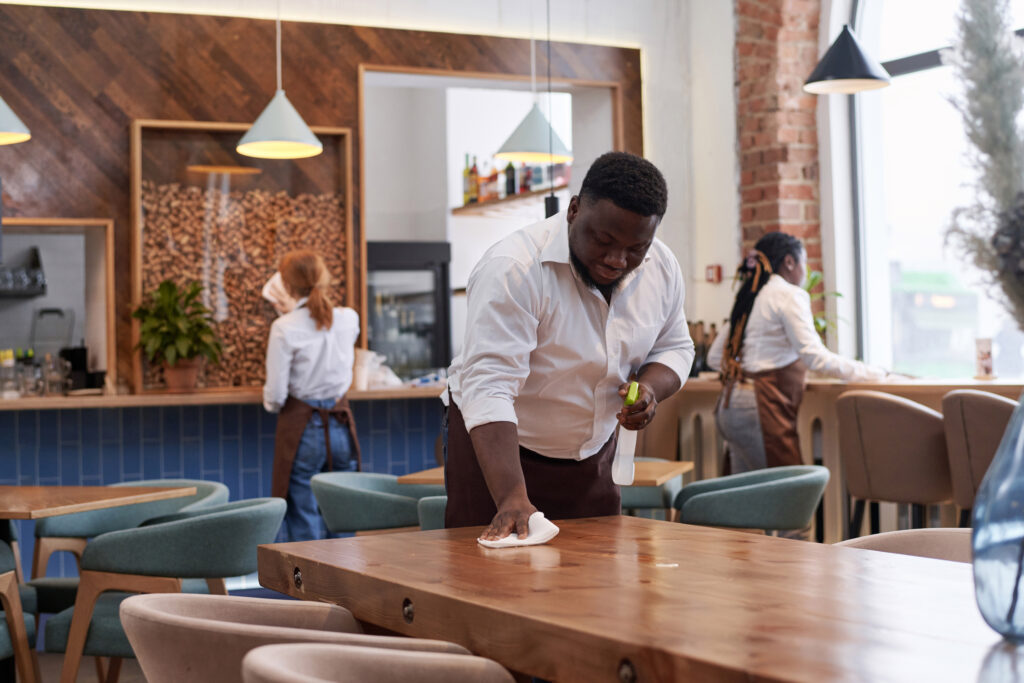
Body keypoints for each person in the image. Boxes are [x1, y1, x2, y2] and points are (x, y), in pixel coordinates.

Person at [444, 151, 695, 540]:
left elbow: (676, 347)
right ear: (574, 210)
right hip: (499, 456)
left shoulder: (661, 268)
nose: (616, 259)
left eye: (635, 248)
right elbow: (489, 386)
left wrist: (649, 388)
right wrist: (511, 496)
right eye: (604, 240)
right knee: (487, 582)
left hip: (592, 457)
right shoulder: (514, 268)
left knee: (596, 585)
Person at [706, 231, 887, 476]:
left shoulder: (751, 294)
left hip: (730, 406)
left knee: (746, 496)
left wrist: (744, 372)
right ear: (789, 262)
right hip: (760, 408)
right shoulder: (789, 295)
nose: (805, 271)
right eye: (804, 262)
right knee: (784, 493)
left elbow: (715, 357)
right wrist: (874, 373)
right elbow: (815, 357)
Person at [263, 250, 362, 542]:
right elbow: (322, 327)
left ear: (286, 285)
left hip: (303, 430)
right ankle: (348, 585)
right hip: (341, 424)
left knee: (303, 514)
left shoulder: (283, 328)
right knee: (342, 512)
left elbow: (276, 397)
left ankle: (308, 586)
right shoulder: (349, 318)